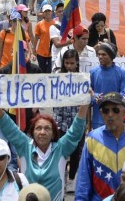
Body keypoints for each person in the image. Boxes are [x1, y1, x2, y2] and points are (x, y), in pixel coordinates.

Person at [0, 88, 89, 201]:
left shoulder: (61, 148)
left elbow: (75, 131)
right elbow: (9, 128)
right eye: (38, 128)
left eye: (47, 128)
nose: (42, 132)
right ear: (32, 133)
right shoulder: (25, 146)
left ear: (53, 134)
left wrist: (85, 104)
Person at [52, 49, 84, 193]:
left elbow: (85, 102)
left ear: (77, 63)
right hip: (60, 120)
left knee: (76, 152)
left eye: (72, 63)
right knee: (60, 150)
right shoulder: (57, 76)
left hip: (76, 120)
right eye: (67, 63)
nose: (69, 66)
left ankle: (72, 179)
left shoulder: (82, 78)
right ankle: (61, 176)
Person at [89, 42, 125, 130]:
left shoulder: (121, 72)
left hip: (116, 118)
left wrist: (110, 100)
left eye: (104, 54)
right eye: (99, 54)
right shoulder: (93, 72)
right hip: (98, 120)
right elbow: (88, 93)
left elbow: (124, 93)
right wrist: (95, 97)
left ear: (111, 56)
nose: (100, 57)